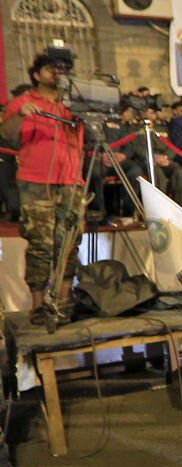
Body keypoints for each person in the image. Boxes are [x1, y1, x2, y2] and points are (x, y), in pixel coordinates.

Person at [1, 53, 85, 319]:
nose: (59, 72)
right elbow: (6, 134)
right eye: (53, 68)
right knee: (40, 242)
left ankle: (64, 300)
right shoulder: (23, 101)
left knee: (69, 241)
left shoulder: (76, 102)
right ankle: (38, 305)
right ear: (37, 74)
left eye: (65, 68)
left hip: (72, 180)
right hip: (35, 182)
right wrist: (20, 116)